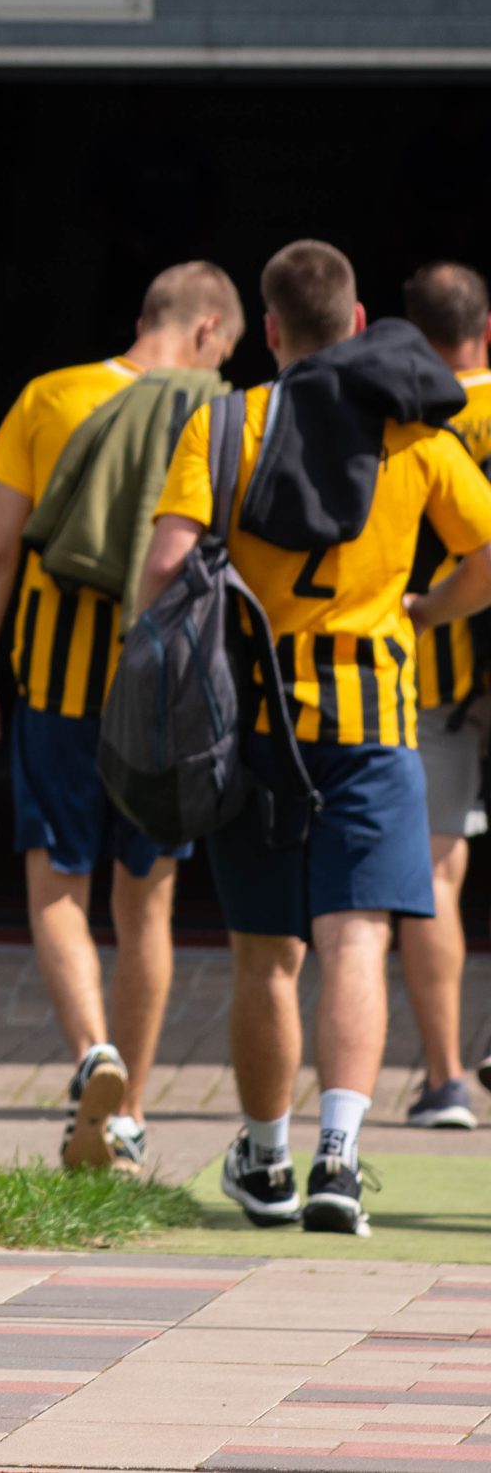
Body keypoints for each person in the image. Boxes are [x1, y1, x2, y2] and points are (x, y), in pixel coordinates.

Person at [137, 240, 491, 1239]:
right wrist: (426, 610)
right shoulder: (414, 434)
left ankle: (266, 1157)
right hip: (373, 720)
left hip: (254, 725)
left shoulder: (226, 423)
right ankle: (340, 1155)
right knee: (357, 939)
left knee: (266, 952)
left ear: (272, 329)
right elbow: (485, 554)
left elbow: (164, 565)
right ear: (359, 320)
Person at [0, 263, 245, 1171]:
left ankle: (91, 1054)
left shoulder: (51, 396)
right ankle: (130, 1111)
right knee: (148, 903)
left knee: (57, 884)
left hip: (58, 684)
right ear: (207, 329)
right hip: (169, 692)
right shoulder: (226, 414)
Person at [400, 261, 491, 1127]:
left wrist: (426, 611)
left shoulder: (411, 420)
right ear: (486, 330)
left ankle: (445, 1079)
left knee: (433, 866)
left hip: (437, 670)